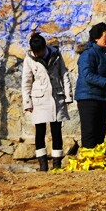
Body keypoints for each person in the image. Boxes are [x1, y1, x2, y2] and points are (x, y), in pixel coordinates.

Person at [21, 32, 73, 171]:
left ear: (45, 47)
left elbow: (64, 74)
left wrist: (68, 95)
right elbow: (26, 81)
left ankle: (57, 163)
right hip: (39, 98)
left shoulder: (56, 55)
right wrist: (27, 102)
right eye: (35, 52)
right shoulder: (29, 59)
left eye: (40, 51)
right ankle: (43, 165)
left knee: (57, 131)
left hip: (56, 96)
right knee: (40, 131)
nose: (38, 54)